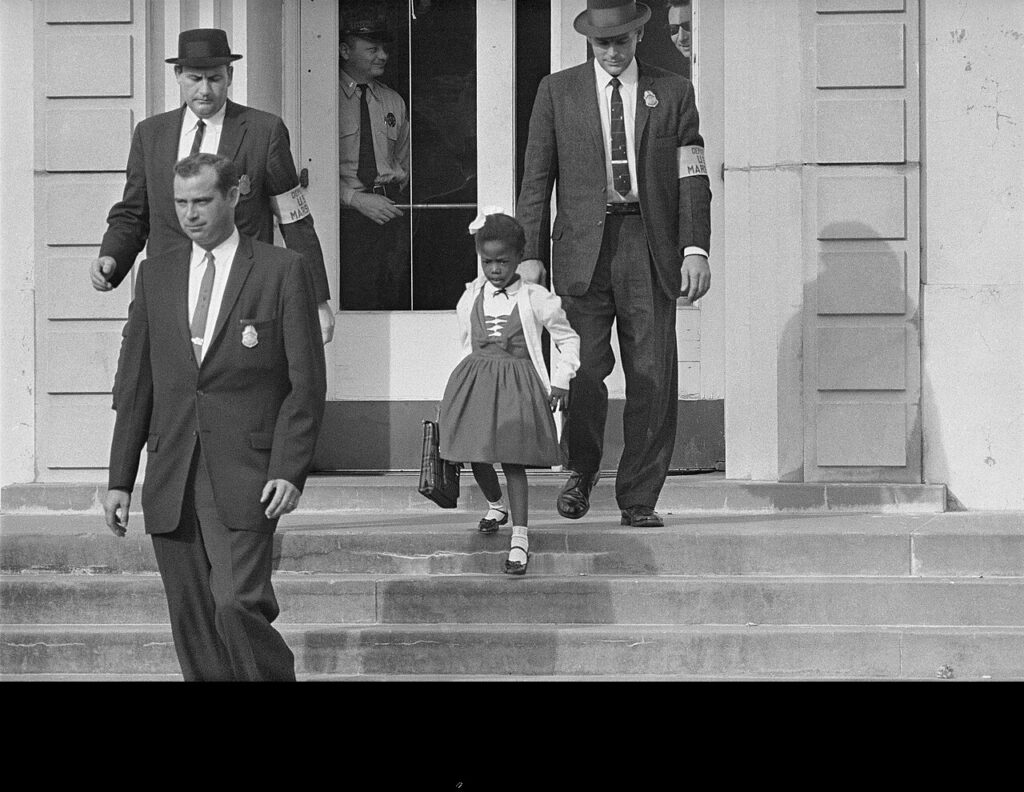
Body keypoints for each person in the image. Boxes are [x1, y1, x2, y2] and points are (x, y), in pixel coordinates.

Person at [102, 153, 327, 681]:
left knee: (236, 603)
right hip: (172, 471)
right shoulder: (154, 275)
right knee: (193, 620)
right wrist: (119, 479)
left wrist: (288, 469)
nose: (191, 214)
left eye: (202, 200)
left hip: (249, 473)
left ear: (234, 195)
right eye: (181, 203)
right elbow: (136, 386)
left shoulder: (281, 270)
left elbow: (306, 385)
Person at [516, 0, 712, 528]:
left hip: (648, 247)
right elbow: (536, 181)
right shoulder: (556, 93)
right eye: (602, 43)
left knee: (652, 373)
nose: (612, 51)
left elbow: (692, 177)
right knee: (583, 369)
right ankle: (580, 471)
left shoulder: (672, 92)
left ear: (638, 36)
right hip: (582, 251)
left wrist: (695, 248)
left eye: (621, 41)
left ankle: (639, 496)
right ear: (588, 41)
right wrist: (530, 255)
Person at [90, 27, 335, 345]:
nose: (204, 90)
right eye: (194, 78)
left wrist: (317, 300)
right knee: (136, 390)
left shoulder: (263, 132)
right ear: (178, 75)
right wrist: (112, 257)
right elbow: (134, 213)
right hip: (167, 293)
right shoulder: (151, 135)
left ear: (230, 75)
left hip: (240, 296)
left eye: (214, 78)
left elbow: (294, 219)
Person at [439, 210, 580, 575]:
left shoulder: (535, 298)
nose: (495, 269)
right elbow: (466, 341)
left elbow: (567, 338)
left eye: (503, 261)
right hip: (477, 382)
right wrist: (456, 390)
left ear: (519, 258)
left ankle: (520, 537)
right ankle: (495, 504)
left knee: (513, 461)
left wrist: (562, 378)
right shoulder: (472, 296)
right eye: (487, 262)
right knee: (476, 453)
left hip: (517, 385)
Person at [338, 9, 411, 310]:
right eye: (372, 49)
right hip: (343, 219)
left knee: (390, 300)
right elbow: (309, 170)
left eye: (384, 49)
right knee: (353, 300)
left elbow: (403, 162)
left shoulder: (393, 101)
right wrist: (354, 199)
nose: (383, 56)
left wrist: (397, 185)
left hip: (388, 214)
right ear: (345, 50)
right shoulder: (324, 98)